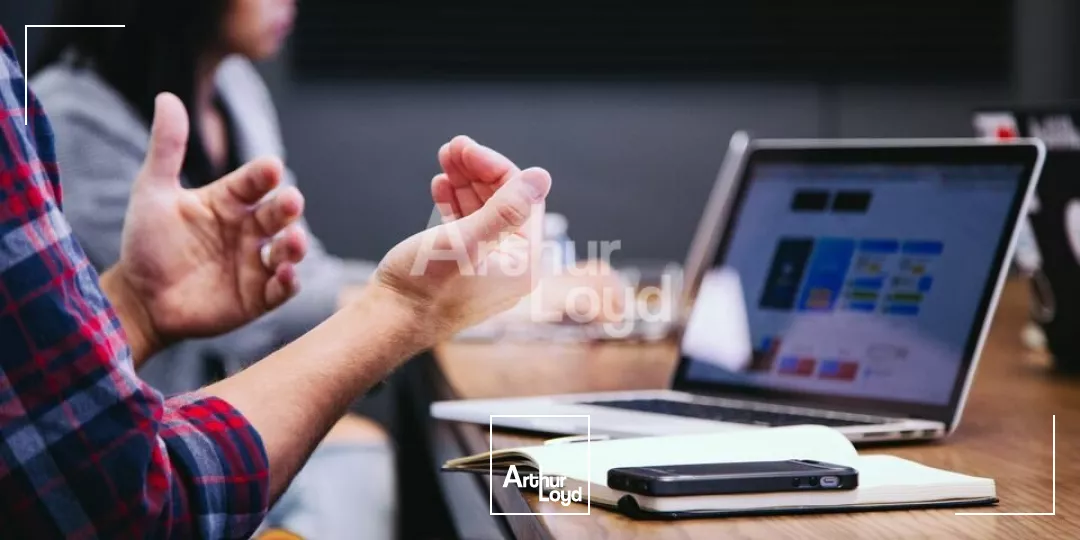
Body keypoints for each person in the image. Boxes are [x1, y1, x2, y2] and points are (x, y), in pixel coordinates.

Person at [0, 22, 554, 539]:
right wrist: (409, 303)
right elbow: (125, 500)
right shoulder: (71, 113)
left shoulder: (235, 86)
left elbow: (303, 275)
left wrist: (138, 307)